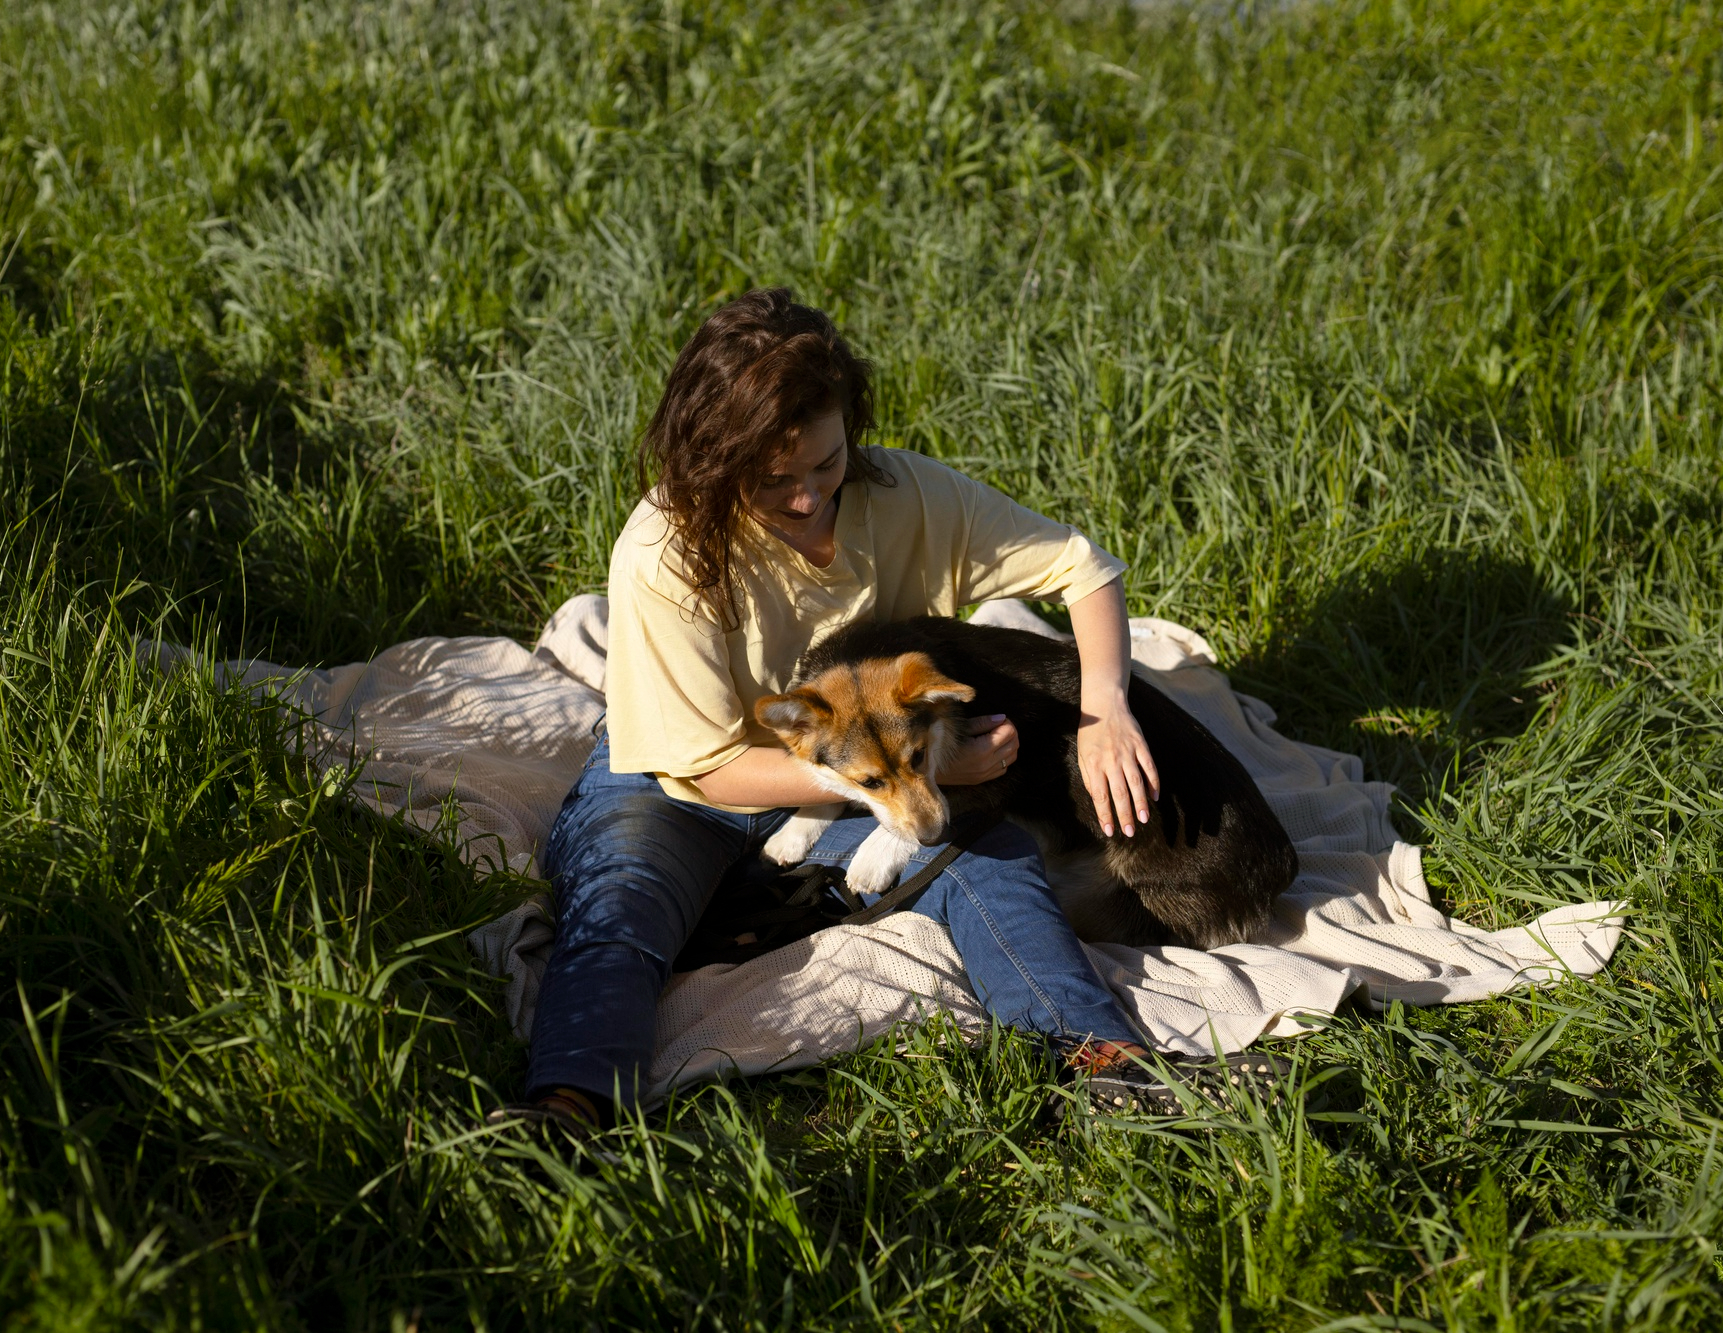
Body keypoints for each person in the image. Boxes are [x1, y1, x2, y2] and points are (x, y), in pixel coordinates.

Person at [494, 289, 1236, 1140]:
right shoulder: (665, 549)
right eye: (774, 481)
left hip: (848, 780)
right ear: (713, 461)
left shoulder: (904, 494)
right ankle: (568, 1110)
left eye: (827, 463)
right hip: (678, 785)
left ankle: (1105, 1065)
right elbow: (708, 768)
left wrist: (1106, 705)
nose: (808, 498)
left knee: (990, 861)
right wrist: (905, 777)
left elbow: (1082, 567)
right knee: (623, 902)